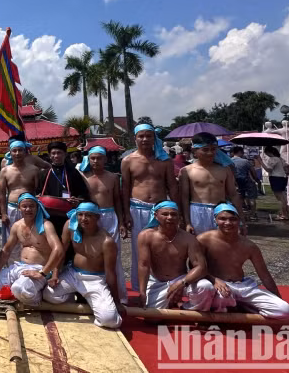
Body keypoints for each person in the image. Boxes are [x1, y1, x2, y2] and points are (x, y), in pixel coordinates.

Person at [198, 204, 289, 318]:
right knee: (220, 298)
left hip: (243, 286)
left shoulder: (249, 246)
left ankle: (243, 305)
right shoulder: (203, 239)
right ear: (215, 220)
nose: (228, 223)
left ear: (239, 221)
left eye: (232, 219)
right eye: (223, 219)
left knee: (285, 311)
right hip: (219, 286)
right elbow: (194, 266)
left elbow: (265, 276)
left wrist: (280, 300)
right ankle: (234, 306)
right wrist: (213, 280)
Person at [42, 202, 122, 329]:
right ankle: (70, 296)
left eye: (88, 215)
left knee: (110, 320)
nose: (83, 219)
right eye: (80, 214)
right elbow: (61, 253)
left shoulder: (106, 241)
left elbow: (111, 273)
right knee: (48, 294)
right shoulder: (70, 226)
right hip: (73, 273)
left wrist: (116, 301)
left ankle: (97, 303)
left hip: (95, 280)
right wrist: (55, 275)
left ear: (97, 217)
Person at [121, 124, 178, 292]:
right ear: (135, 138)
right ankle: (140, 287)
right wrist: (126, 214)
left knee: (163, 248)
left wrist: (177, 211)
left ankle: (162, 286)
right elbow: (125, 188)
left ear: (154, 138)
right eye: (141, 136)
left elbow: (172, 186)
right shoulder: (128, 161)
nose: (145, 139)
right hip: (137, 208)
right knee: (139, 250)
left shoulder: (164, 160)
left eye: (149, 136)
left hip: (161, 210)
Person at [136, 201, 214, 310]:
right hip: (159, 281)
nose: (170, 217)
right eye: (165, 214)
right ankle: (170, 301)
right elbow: (143, 265)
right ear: (156, 215)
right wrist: (142, 291)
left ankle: (188, 308)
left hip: (182, 279)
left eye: (173, 214)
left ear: (179, 217)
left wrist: (182, 283)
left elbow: (201, 267)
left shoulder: (188, 238)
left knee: (206, 287)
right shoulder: (146, 236)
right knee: (152, 319)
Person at [0, 194, 63, 306]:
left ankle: (37, 298)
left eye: (31, 206)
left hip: (39, 269)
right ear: (19, 208)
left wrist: (43, 273)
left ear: (37, 207)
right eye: (24, 206)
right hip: (19, 267)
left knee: (18, 288)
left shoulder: (46, 225)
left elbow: (58, 250)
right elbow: (6, 251)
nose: (28, 209)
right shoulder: (17, 226)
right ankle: (26, 293)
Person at [79, 146, 126, 302]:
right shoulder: (83, 177)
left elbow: (118, 200)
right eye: (93, 158)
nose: (96, 161)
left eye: (99, 158)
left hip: (109, 215)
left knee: (114, 255)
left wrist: (121, 222)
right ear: (89, 159)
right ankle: (91, 292)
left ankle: (119, 295)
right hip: (90, 216)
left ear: (105, 159)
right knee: (90, 252)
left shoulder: (112, 177)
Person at [179, 132, 243, 235]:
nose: (210, 153)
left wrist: (241, 221)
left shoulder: (224, 169)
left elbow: (233, 194)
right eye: (205, 149)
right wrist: (187, 222)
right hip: (197, 211)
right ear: (194, 150)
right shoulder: (187, 171)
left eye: (213, 149)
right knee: (199, 244)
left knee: (221, 245)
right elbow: (184, 197)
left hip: (221, 210)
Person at [0, 140, 40, 262]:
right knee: (12, 240)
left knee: (29, 237)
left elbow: (38, 192)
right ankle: (11, 267)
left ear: (25, 151)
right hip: (12, 208)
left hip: (29, 209)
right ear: (10, 153)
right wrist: (3, 213)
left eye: (20, 150)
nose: (17, 153)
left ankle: (28, 263)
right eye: (14, 151)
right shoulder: (5, 171)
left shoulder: (34, 169)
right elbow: (1, 193)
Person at [39, 141, 89, 235]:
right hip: (49, 216)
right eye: (53, 153)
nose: (56, 156)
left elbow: (83, 193)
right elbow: (38, 192)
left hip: (68, 215)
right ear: (50, 155)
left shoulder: (73, 173)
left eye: (59, 153)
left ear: (65, 154)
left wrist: (77, 201)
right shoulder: (44, 174)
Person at [261, 146, 289, 221]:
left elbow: (268, 169)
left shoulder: (273, 159)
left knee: (280, 197)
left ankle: (284, 214)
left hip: (276, 178)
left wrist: (260, 161)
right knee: (283, 196)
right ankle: (288, 213)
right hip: (282, 177)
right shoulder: (280, 159)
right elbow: (287, 166)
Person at [230, 147, 260, 222]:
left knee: (239, 198)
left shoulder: (229, 161)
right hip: (247, 181)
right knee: (252, 198)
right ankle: (253, 214)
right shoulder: (245, 161)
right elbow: (253, 172)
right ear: (240, 152)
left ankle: (239, 214)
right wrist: (257, 180)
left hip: (236, 182)